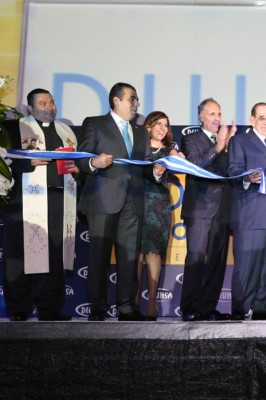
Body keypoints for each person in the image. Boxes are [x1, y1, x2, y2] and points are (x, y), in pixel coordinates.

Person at [77, 82, 165, 321]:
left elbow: (143, 166)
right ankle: (97, 306)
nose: (136, 104)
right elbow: (81, 158)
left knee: (129, 257)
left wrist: (156, 171)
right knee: (99, 257)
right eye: (132, 99)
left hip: (132, 201)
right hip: (103, 200)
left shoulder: (139, 132)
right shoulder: (94, 124)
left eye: (136, 100)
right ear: (116, 100)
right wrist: (94, 163)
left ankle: (126, 306)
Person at [1, 88, 77, 321]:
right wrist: (28, 163)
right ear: (30, 108)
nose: (49, 107)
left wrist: (78, 169)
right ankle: (18, 310)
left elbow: (76, 164)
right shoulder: (13, 129)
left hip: (58, 200)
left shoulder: (66, 132)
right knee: (20, 256)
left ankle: (50, 310)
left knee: (54, 258)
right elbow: (4, 161)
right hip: (23, 200)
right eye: (43, 103)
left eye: (52, 102)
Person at [227, 102, 266, 321]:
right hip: (250, 213)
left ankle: (263, 306)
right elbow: (233, 171)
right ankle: (240, 309)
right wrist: (247, 177)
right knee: (246, 265)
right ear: (252, 120)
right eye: (262, 118)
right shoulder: (240, 141)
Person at [179, 98, 235, 321]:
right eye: (212, 114)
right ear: (201, 117)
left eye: (219, 114)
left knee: (217, 262)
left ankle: (208, 307)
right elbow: (194, 166)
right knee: (195, 258)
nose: (217, 118)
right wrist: (218, 147)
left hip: (223, 209)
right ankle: (190, 307)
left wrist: (230, 147)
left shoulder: (230, 141)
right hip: (200, 209)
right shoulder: (190, 139)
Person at [136, 111, 183, 321]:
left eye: (166, 124)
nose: (163, 128)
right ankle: (133, 302)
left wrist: (176, 158)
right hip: (135, 202)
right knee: (136, 254)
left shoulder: (170, 150)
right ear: (148, 127)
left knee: (154, 252)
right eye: (158, 123)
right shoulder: (136, 148)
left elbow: (181, 162)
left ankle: (152, 303)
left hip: (159, 205)